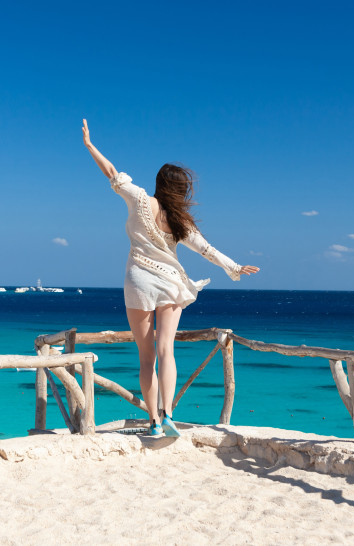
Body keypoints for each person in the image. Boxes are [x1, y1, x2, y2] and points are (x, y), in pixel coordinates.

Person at [82, 119, 260, 437]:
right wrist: (234, 268)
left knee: (146, 355)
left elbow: (112, 174)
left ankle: (152, 423)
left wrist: (90, 146)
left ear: (158, 182)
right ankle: (168, 415)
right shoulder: (179, 221)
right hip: (170, 283)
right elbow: (207, 250)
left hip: (138, 282)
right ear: (180, 190)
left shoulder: (139, 200)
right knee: (167, 349)